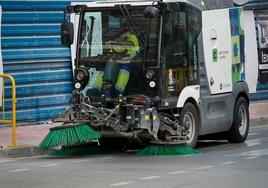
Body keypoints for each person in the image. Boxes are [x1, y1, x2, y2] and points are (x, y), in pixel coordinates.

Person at [103, 32, 140, 96]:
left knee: (124, 71)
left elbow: (130, 45)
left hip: (132, 64)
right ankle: (97, 90)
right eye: (116, 37)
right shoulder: (113, 41)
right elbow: (110, 53)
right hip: (117, 63)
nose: (117, 39)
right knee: (104, 70)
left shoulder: (132, 37)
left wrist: (116, 42)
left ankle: (118, 92)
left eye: (119, 37)